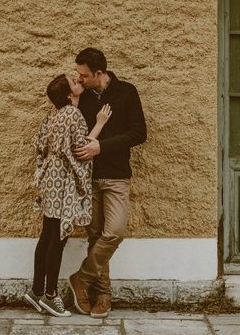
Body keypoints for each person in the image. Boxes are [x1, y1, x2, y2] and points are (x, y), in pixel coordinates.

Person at [67, 47, 147, 318]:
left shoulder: (126, 92)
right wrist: (75, 101)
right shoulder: (83, 97)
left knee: (114, 233)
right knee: (95, 237)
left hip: (116, 177)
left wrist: (102, 146)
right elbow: (74, 133)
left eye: (83, 75)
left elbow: (139, 132)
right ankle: (103, 296)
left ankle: (81, 279)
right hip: (88, 178)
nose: (79, 79)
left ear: (98, 73)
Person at [24, 73, 112, 318]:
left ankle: (36, 291)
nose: (78, 81)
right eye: (74, 82)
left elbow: (39, 145)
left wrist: (41, 175)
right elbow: (83, 146)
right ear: (67, 94)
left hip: (49, 177)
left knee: (47, 234)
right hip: (63, 179)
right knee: (58, 239)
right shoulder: (72, 113)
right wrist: (101, 122)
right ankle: (51, 297)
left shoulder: (51, 115)